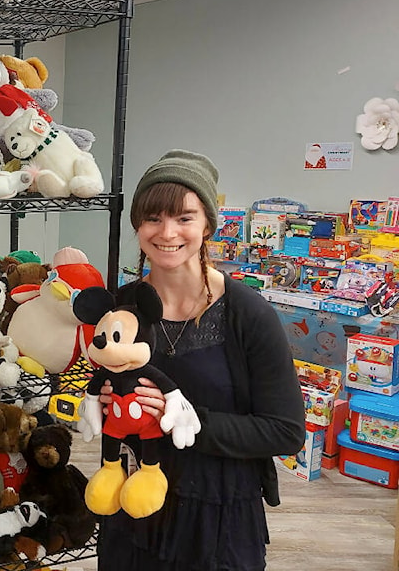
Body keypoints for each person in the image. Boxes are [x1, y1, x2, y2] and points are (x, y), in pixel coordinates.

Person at [96, 149, 306, 571]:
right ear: (138, 224)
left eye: (184, 218)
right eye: (153, 218)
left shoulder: (246, 313)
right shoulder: (122, 312)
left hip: (217, 513)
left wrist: (187, 420)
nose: (167, 232)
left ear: (208, 223)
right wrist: (103, 402)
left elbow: (285, 431)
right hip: (135, 504)